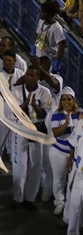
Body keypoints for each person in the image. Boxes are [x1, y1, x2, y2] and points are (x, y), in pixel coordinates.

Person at [12, 65, 53, 209]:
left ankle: (30, 199)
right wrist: (25, 103)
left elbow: (43, 114)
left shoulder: (44, 92)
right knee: (20, 165)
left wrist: (34, 105)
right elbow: (16, 112)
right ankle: (18, 198)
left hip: (36, 129)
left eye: (32, 75)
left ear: (38, 78)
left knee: (36, 164)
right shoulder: (17, 90)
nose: (29, 77)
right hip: (22, 129)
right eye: (27, 74)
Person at [48, 88, 80, 216]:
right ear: (60, 101)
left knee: (73, 181)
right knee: (59, 179)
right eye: (63, 99)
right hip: (58, 152)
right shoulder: (57, 114)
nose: (66, 102)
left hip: (75, 154)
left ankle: (71, 204)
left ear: (73, 100)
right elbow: (56, 133)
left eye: (69, 99)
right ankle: (59, 202)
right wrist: (66, 123)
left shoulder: (80, 113)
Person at [36, 0, 67, 72]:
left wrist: (57, 60)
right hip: (38, 56)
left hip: (48, 60)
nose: (40, 14)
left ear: (49, 14)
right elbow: (38, 35)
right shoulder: (41, 21)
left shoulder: (56, 27)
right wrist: (36, 47)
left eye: (43, 12)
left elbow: (62, 45)